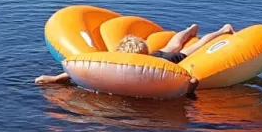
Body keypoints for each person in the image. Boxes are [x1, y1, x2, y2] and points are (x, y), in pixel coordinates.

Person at [34, 24, 236, 88]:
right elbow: (84, 69)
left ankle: (222, 30)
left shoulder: (153, 66)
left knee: (188, 47)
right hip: (156, 56)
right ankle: (190, 29)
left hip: (166, 61)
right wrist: (54, 78)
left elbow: (189, 79)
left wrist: (190, 87)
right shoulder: (117, 64)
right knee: (172, 44)